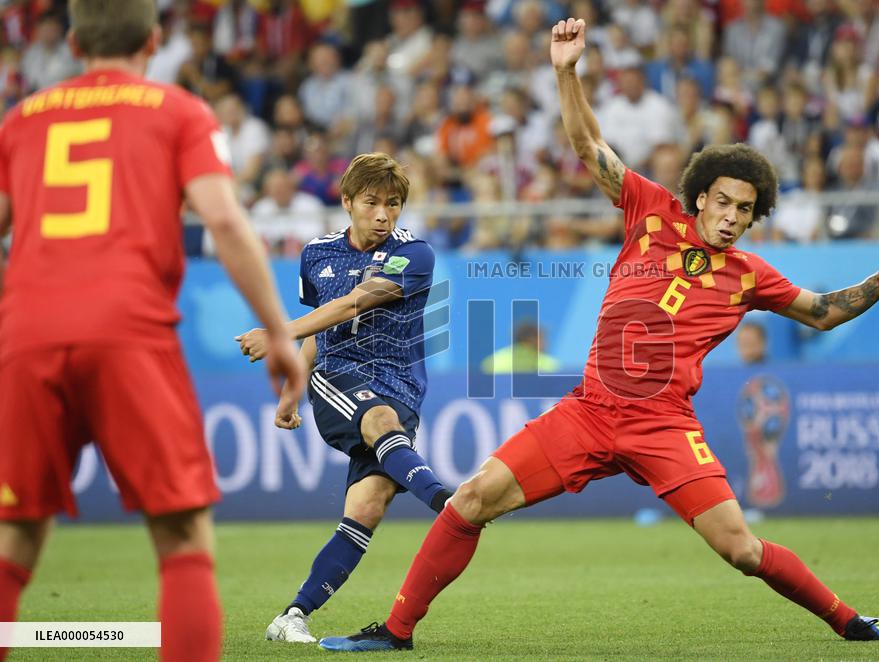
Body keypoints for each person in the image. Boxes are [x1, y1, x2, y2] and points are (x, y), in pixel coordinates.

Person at [320, 18, 879, 653]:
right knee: (469, 499)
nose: (731, 218)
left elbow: (823, 310)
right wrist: (566, 71)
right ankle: (395, 631)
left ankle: (853, 623)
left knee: (741, 550)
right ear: (700, 197)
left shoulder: (749, 275)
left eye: (745, 209)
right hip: (589, 411)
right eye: (722, 202)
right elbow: (587, 146)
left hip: (663, 423)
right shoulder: (651, 212)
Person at [0, 2, 305, 662]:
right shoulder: (177, 111)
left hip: (27, 335)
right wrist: (280, 333)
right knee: (183, 539)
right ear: (155, 38)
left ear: (74, 42)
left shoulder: (20, 120)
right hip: (128, 332)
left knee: (15, 538)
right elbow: (224, 223)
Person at [235, 152, 453, 644]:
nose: (383, 214)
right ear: (348, 201)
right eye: (372, 202)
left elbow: (357, 301)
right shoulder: (316, 254)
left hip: (401, 389)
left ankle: (292, 615)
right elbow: (320, 335)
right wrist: (293, 392)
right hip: (340, 378)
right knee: (376, 419)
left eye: (393, 204)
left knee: (367, 507)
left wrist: (276, 334)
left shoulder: (415, 253)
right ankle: (447, 501)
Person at [481, 320, 560, 374]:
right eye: (542, 338)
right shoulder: (549, 364)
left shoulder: (493, 361)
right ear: (531, 340)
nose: (546, 343)